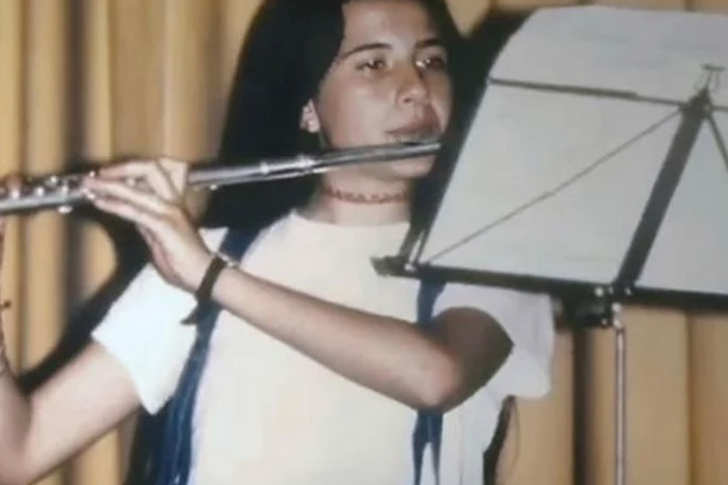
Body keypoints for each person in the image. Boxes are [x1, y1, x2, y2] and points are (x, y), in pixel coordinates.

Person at [0, 0, 554, 484]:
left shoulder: (486, 257)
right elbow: (18, 454)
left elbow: (437, 376)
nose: (415, 89)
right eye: (374, 64)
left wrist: (211, 277)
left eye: (431, 61)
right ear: (308, 105)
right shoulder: (199, 256)